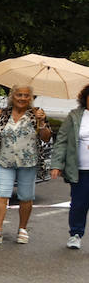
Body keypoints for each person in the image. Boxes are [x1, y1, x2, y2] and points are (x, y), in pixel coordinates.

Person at [0, 85, 52, 246]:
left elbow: (46, 138)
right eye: (19, 95)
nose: (22, 98)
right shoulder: (1, 114)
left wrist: (42, 122)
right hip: (5, 161)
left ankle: (22, 229)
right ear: (12, 96)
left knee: (26, 197)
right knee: (1, 194)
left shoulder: (37, 114)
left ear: (31, 98)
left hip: (28, 162)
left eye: (26, 95)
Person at [48, 83, 89, 249]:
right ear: (84, 99)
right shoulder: (74, 116)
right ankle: (76, 234)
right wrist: (56, 164)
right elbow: (62, 141)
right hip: (80, 170)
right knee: (79, 203)